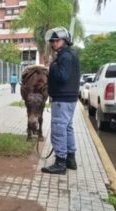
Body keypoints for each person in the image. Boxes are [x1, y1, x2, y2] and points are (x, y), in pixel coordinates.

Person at [41, 27, 80, 175]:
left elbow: (62, 76)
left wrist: (52, 65)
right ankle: (71, 160)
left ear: (65, 41)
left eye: (57, 40)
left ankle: (60, 163)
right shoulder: (71, 55)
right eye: (53, 41)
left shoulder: (64, 56)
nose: (54, 43)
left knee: (58, 130)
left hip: (62, 100)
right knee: (67, 128)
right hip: (69, 99)